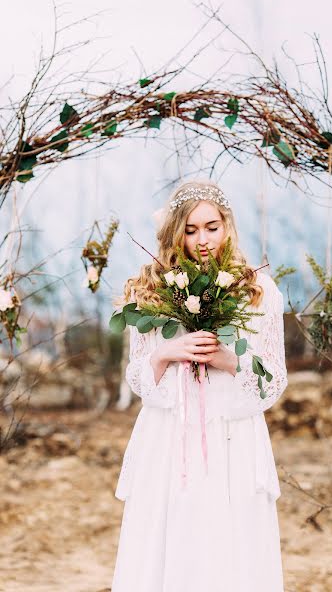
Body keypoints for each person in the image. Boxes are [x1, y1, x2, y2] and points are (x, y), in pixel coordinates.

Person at [111, 180, 288, 592]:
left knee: (230, 547)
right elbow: (138, 377)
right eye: (190, 230)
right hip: (169, 438)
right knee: (169, 543)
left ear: (227, 225)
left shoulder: (259, 291)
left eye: (212, 227)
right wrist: (166, 352)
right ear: (176, 232)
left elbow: (274, 380)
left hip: (232, 438)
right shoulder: (151, 291)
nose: (202, 240)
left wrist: (229, 360)